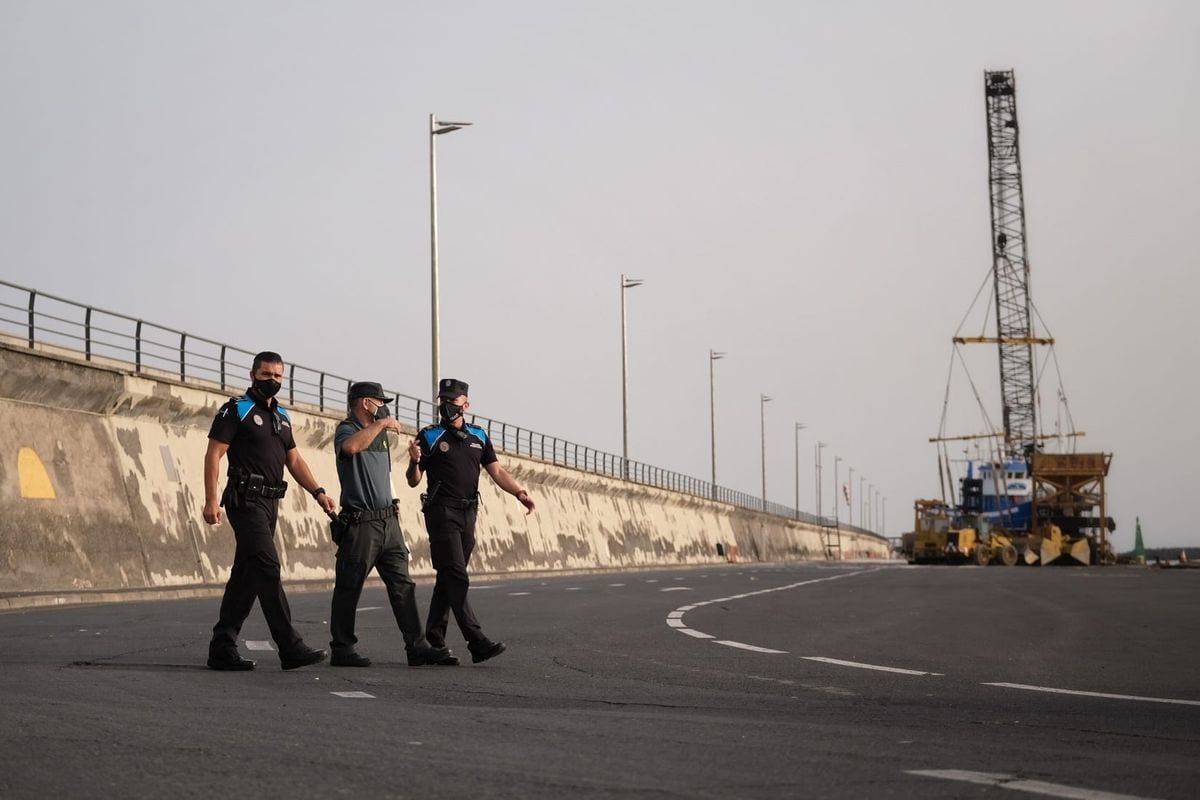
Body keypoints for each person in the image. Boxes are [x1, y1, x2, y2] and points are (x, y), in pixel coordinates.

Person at [202, 350, 334, 671]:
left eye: (277, 376)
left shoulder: (282, 416)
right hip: (244, 500)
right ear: (253, 376)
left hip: (270, 503)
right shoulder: (237, 409)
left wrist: (318, 492)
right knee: (268, 568)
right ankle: (290, 646)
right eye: (266, 375)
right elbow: (214, 454)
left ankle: (222, 647)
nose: (272, 381)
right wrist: (211, 500)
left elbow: (294, 460)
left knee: (246, 577)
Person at [406, 378, 535, 664]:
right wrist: (414, 461)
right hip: (441, 513)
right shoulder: (429, 435)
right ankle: (476, 641)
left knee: (448, 577)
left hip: (469, 513)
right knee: (456, 575)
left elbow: (497, 471)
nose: (446, 406)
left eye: (452, 401)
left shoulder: (478, 435)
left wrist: (519, 492)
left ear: (466, 404)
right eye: (443, 400)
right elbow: (413, 481)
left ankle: (434, 642)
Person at [328, 381, 451, 667]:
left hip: (388, 521)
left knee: (403, 585)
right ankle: (342, 649)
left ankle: (417, 646)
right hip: (361, 524)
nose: (383, 407)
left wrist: (413, 462)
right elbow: (351, 447)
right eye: (379, 401)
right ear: (364, 403)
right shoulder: (347, 429)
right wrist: (382, 424)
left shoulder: (380, 436)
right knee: (349, 587)